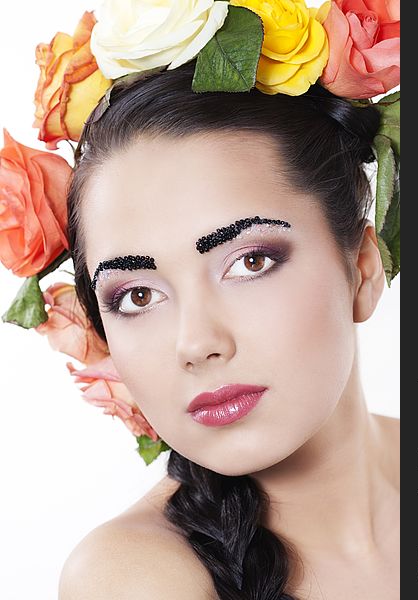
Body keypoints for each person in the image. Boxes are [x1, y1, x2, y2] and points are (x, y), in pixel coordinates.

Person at [56, 60, 400, 599]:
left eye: (249, 263)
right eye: (138, 296)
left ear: (361, 267)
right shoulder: (131, 579)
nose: (196, 343)